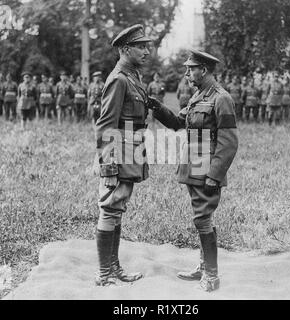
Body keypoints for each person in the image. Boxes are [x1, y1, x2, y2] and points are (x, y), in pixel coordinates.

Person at [149, 49, 238, 292]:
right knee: (203, 218)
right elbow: (179, 123)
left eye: (191, 69)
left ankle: (211, 276)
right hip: (194, 163)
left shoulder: (221, 98)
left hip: (206, 167)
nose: (187, 73)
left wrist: (214, 174)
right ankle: (204, 267)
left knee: (202, 218)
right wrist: (157, 108)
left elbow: (229, 142)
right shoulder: (198, 96)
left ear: (204, 70)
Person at [94, 24, 152, 287]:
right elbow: (106, 124)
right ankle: (104, 274)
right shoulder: (119, 79)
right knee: (110, 208)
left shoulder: (133, 78)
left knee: (117, 209)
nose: (147, 52)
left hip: (132, 149)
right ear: (125, 49)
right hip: (119, 152)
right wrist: (109, 165)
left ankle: (114, 267)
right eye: (141, 47)